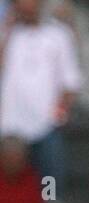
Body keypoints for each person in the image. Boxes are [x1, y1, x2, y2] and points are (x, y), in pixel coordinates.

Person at [0, 0, 82, 187]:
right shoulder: (9, 36)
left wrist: (58, 115)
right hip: (11, 128)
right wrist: (7, 30)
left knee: (49, 181)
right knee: (11, 186)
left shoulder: (58, 35)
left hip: (45, 126)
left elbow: (70, 82)